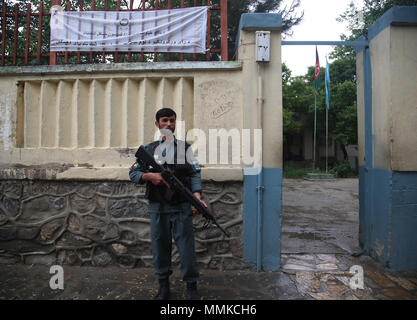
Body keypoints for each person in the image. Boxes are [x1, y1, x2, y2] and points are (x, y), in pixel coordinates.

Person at [129, 107, 206, 300]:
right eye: (164, 121)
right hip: (158, 206)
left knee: (187, 247)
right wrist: (150, 176)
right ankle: (163, 287)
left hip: (181, 205)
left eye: (172, 121)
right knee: (160, 247)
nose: (168, 124)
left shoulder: (185, 148)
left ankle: (191, 287)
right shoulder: (148, 150)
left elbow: (194, 173)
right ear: (157, 124)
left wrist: (197, 196)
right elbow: (133, 173)